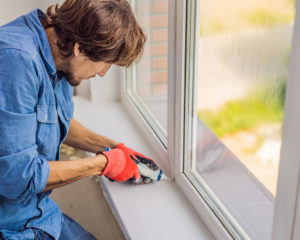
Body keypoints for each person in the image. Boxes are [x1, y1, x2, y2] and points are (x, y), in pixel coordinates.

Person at [0, 0, 156, 239]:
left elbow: (50, 120)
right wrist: (104, 164)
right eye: (105, 63)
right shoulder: (16, 62)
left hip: (36, 213)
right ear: (80, 48)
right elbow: (19, 178)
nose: (103, 73)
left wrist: (112, 147)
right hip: (9, 225)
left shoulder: (56, 53)